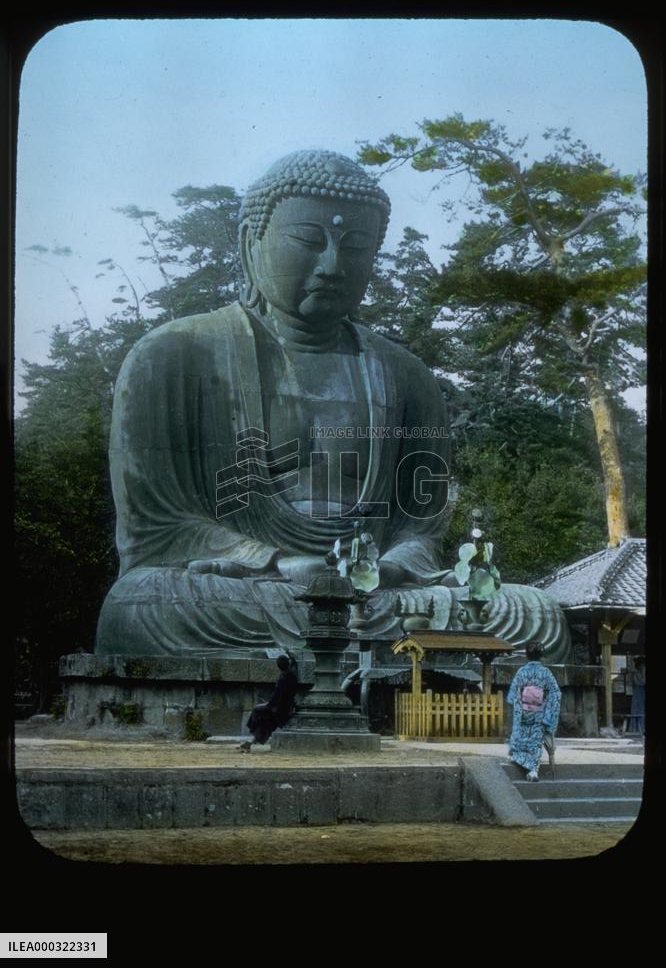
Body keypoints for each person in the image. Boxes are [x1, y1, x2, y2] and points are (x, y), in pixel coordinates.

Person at [96, 149, 571, 663]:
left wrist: (390, 567)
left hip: (379, 594)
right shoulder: (172, 355)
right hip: (254, 588)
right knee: (139, 604)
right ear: (249, 242)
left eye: (357, 246)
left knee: (533, 614)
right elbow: (156, 528)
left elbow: (421, 527)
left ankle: (347, 637)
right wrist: (275, 562)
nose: (332, 265)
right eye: (307, 240)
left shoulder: (407, 375)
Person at [506, 640, 561, 781]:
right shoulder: (546, 673)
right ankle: (533, 770)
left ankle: (519, 760)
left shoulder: (522, 672)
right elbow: (556, 693)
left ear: (527, 655)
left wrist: (518, 705)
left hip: (523, 711)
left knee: (521, 737)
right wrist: (549, 714)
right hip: (539, 712)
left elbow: (513, 695)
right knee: (536, 740)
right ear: (542, 655)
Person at [239, 654, 298, 751]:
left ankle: (252, 729)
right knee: (264, 721)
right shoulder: (291, 675)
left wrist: (268, 704)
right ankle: (252, 740)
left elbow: (276, 698)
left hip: (279, 709)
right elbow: (293, 665)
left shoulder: (282, 680)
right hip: (286, 706)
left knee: (257, 710)